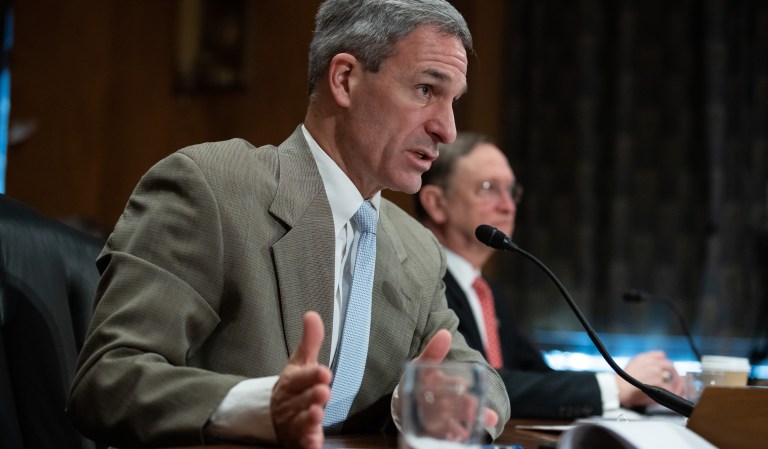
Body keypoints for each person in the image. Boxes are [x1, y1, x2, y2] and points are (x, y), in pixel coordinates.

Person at [66, 2, 512, 448]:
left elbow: (478, 378)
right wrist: (259, 406)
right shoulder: (213, 188)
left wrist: (421, 404)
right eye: (425, 90)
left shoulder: (416, 247)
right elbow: (108, 379)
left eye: (454, 101)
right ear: (344, 79)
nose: (448, 130)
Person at [415, 131, 686, 419]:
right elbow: (477, 383)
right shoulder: (424, 283)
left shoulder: (488, 293)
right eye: (488, 188)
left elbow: (539, 378)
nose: (508, 206)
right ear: (437, 203)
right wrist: (613, 388)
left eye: (512, 191)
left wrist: (632, 388)